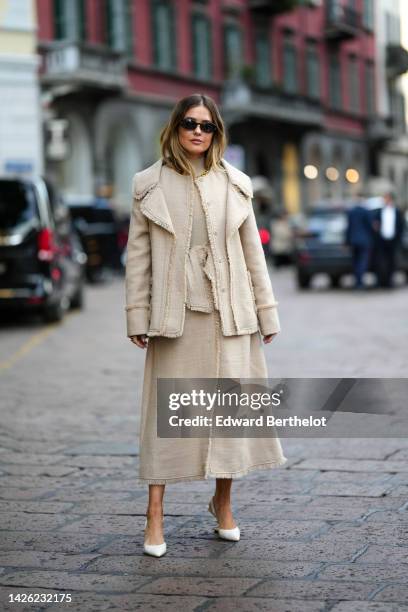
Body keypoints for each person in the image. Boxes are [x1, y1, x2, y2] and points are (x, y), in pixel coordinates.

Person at [124, 93, 287, 557]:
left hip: (230, 312)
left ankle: (224, 502)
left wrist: (266, 311)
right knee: (167, 418)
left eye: (208, 125)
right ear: (175, 127)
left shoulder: (235, 184)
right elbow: (138, 259)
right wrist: (138, 313)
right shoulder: (147, 184)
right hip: (176, 314)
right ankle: (155, 514)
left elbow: (253, 253)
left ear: (217, 133)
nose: (198, 132)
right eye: (190, 123)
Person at [371, 190, 404, 288]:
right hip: (381, 240)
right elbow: (374, 225)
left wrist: (398, 238)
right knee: (379, 261)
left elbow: (400, 226)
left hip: (392, 240)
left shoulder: (397, 212)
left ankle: (389, 281)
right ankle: (379, 281)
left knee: (391, 261)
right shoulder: (379, 211)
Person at [345, 196, 374, 289]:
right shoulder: (366, 211)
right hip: (364, 241)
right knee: (362, 262)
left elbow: (348, 228)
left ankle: (357, 281)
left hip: (354, 241)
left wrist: (347, 241)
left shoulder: (351, 212)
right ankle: (360, 283)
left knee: (355, 262)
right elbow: (370, 226)